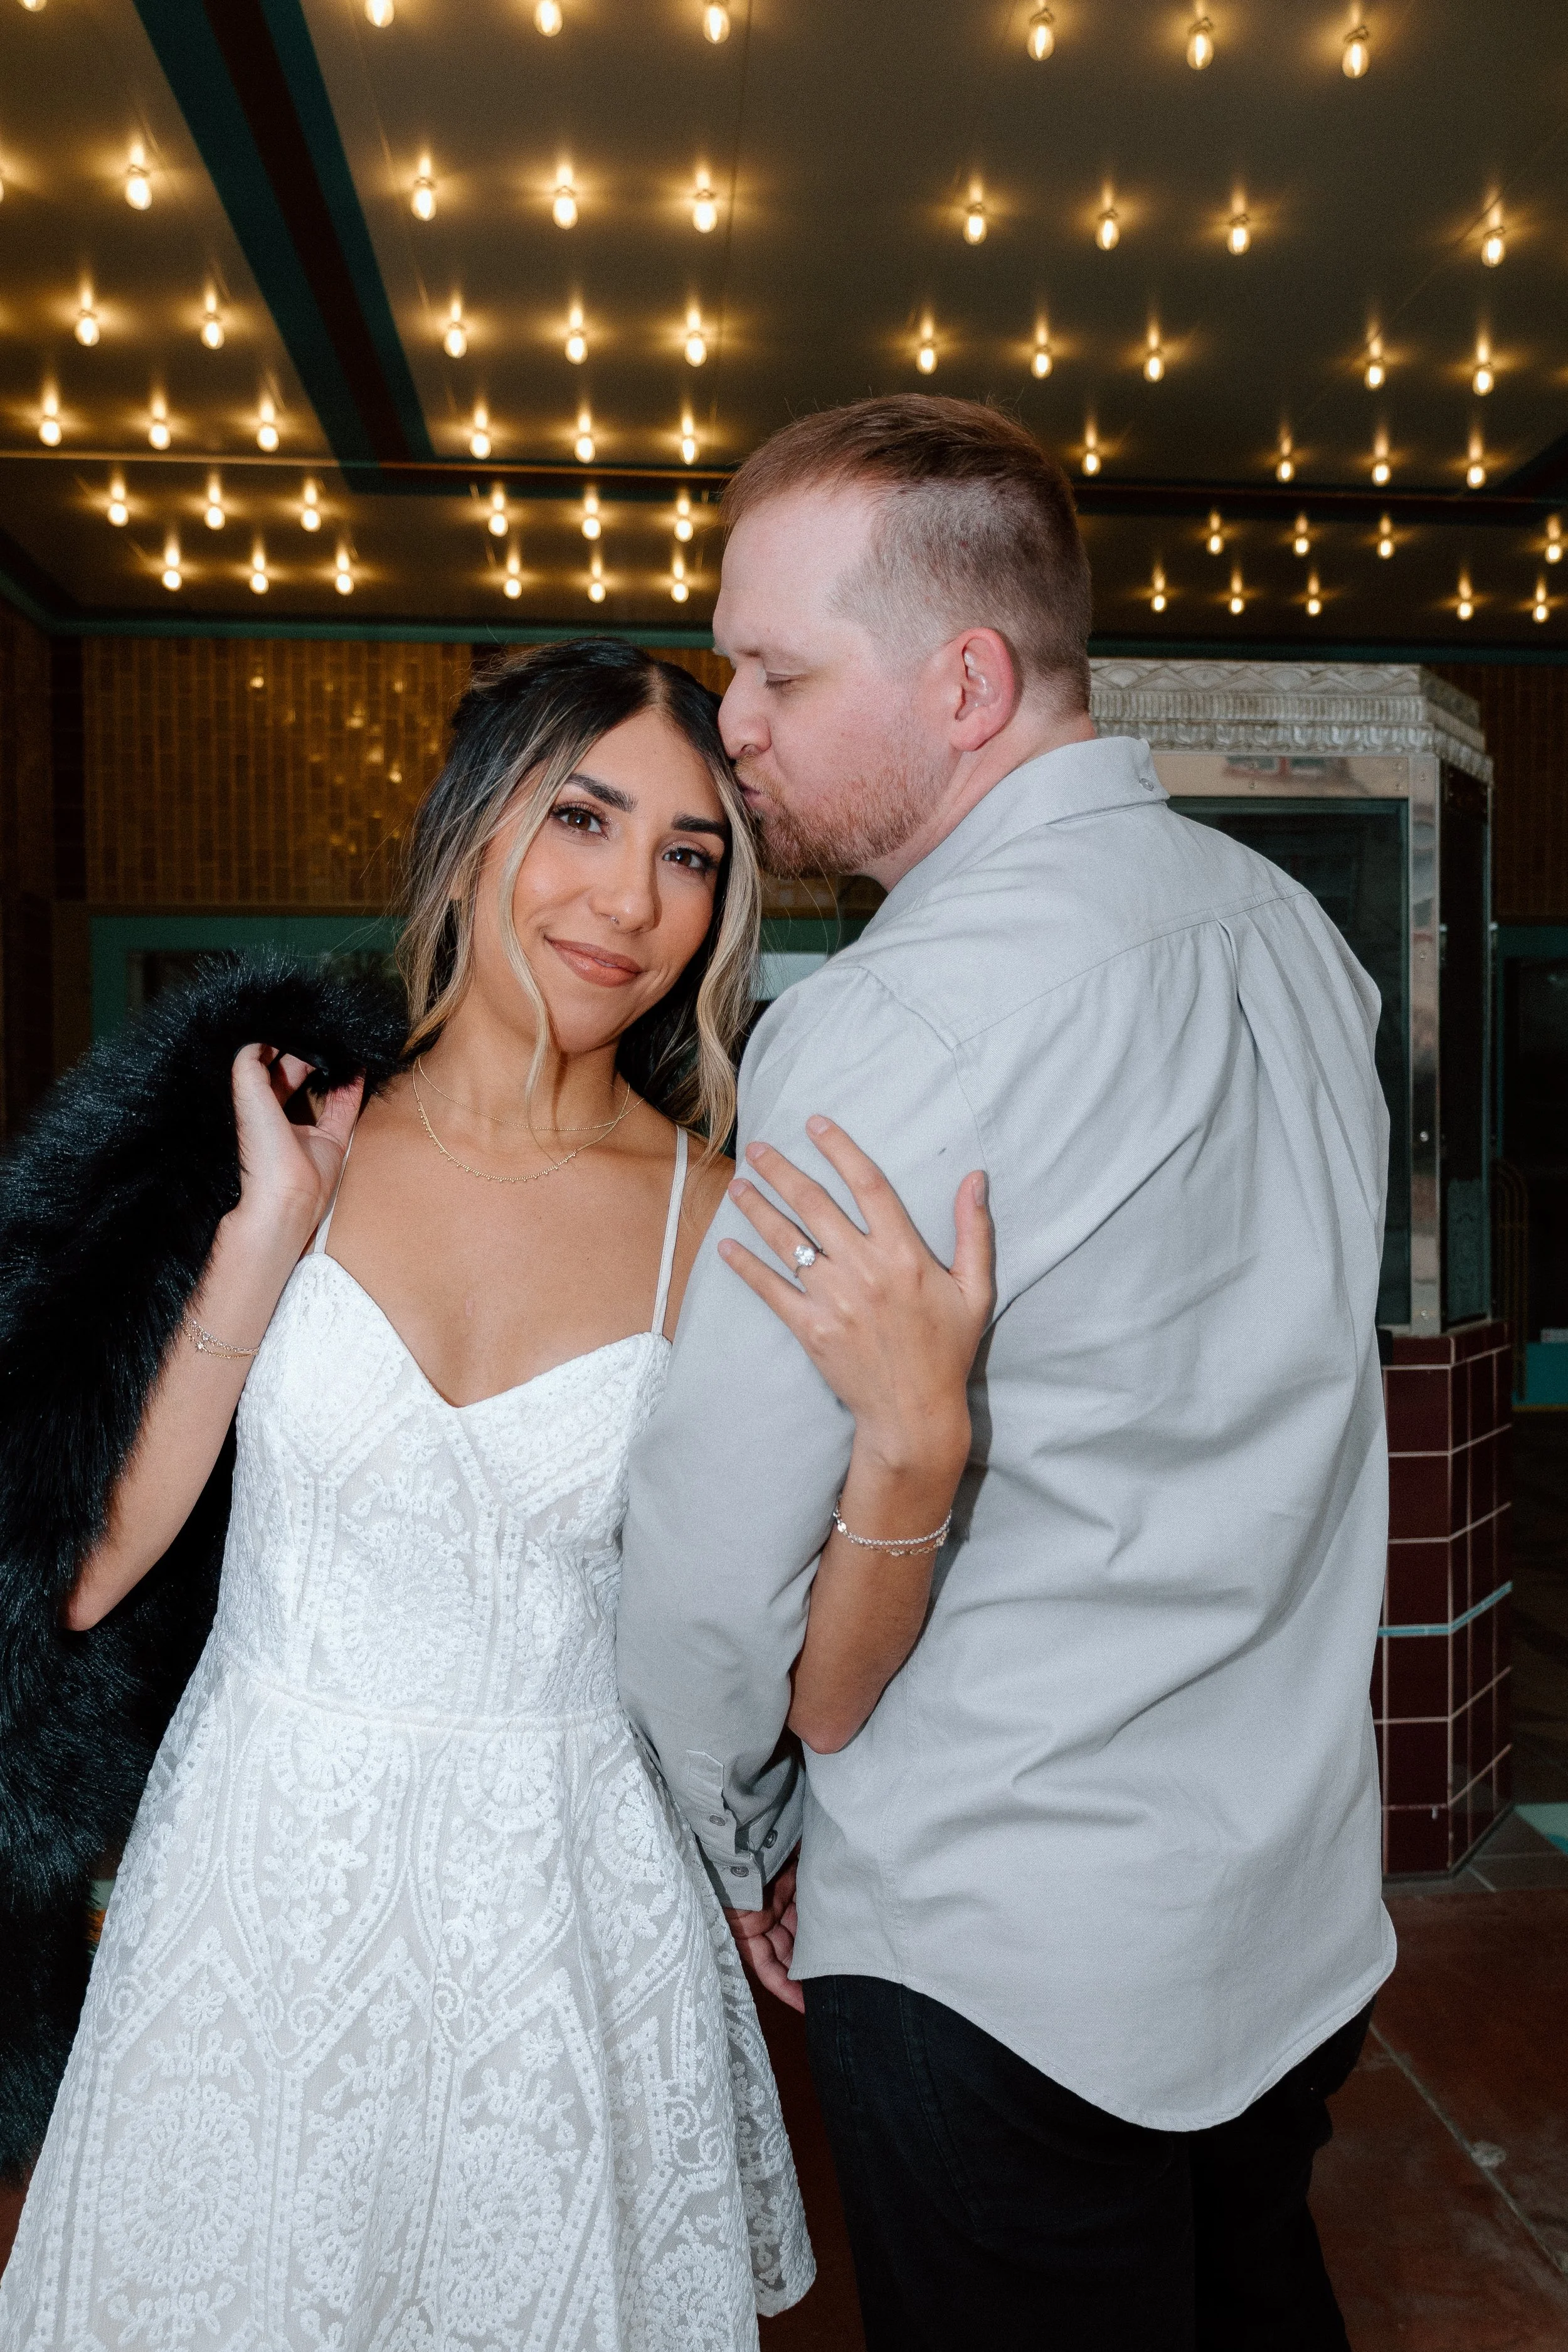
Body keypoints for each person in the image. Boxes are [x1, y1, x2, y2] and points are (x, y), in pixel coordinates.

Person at [0, 639, 988, 2350]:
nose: (631, 899)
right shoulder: (281, 1133)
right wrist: (256, 1241)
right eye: (582, 819)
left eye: (691, 853)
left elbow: (819, 1678)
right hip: (258, 1876)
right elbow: (80, 1574)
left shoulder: (728, 1214)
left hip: (564, 1904)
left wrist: (917, 1436)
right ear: (472, 828)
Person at [617, 397, 1396, 2349]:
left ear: (964, 679)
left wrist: (734, 1827)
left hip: (1004, 1949)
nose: (736, 721)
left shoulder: (885, 1025)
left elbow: (715, 1558)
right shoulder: (1301, 950)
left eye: (779, 670)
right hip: (1285, 1908)